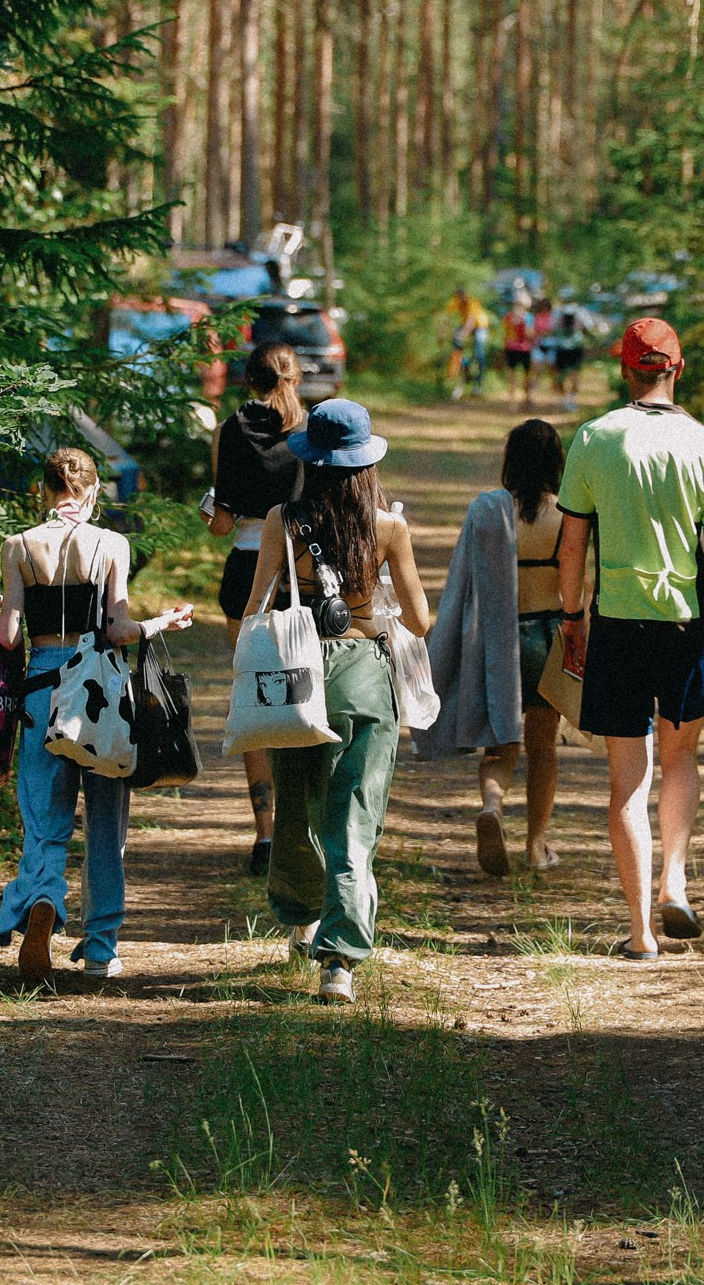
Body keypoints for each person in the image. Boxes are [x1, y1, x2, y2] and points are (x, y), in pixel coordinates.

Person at [554, 319, 704, 960]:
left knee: (626, 781)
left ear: (625, 370)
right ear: (676, 369)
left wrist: (571, 619)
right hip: (688, 626)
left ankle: (641, 933)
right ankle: (676, 880)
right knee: (681, 759)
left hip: (616, 623)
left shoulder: (595, 438)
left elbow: (573, 542)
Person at [239, 398, 431, 1004]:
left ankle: (302, 921)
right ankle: (339, 963)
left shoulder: (282, 520)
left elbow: (255, 606)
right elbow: (421, 621)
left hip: (298, 672)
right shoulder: (389, 527)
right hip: (364, 676)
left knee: (297, 803)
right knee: (355, 814)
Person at [0, 448, 194, 981]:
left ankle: (44, 897)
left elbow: (9, 636)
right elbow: (119, 629)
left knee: (45, 823)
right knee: (106, 824)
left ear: (44, 492)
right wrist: (161, 624)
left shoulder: (18, 547)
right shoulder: (110, 545)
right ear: (94, 492)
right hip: (99, 692)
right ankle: (100, 948)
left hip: (41, 690)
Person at [413, 420, 567, 875]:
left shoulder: (488, 512)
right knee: (544, 748)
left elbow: (465, 583)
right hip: (548, 638)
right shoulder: (568, 515)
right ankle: (537, 846)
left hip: (500, 643)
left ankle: (492, 808)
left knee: (500, 747)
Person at [206, 341, 307, 876]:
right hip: (301, 574)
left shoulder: (229, 430)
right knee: (300, 694)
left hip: (246, 572)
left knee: (255, 697)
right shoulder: (312, 432)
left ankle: (265, 836)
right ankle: (300, 824)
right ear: (295, 378)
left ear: (249, 380)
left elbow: (222, 522)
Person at [501, 295, 539, 411]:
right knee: (525, 376)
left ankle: (514, 403)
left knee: (513, 376)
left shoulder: (508, 316)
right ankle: (526, 401)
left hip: (512, 348)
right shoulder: (527, 317)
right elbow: (530, 334)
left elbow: (505, 334)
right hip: (523, 349)